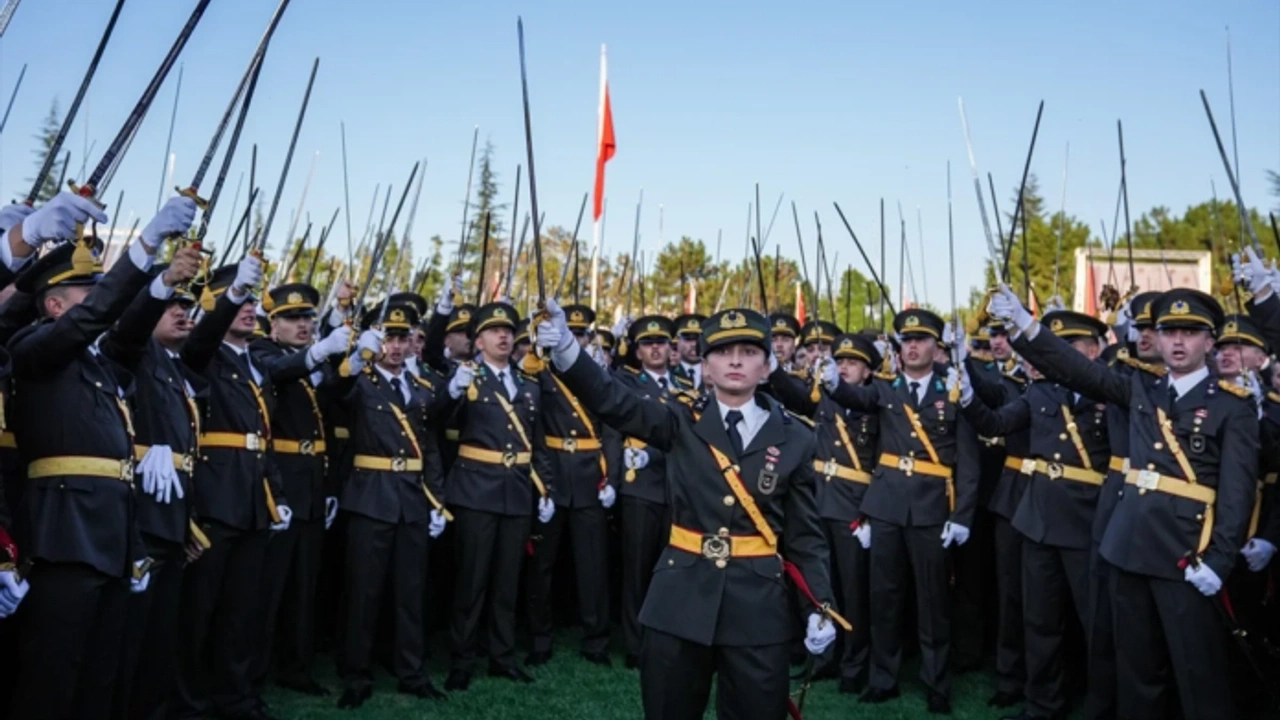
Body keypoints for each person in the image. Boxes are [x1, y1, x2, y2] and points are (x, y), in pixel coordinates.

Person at [536, 301, 841, 719]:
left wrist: (819, 605)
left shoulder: (797, 438)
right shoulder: (680, 419)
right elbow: (613, 400)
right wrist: (567, 349)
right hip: (679, 600)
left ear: (767, 366)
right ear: (706, 366)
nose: (735, 360)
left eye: (749, 351)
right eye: (722, 351)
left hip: (757, 607)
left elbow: (806, 537)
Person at [987, 284, 1257, 720]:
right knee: (1137, 672)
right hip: (1129, 548)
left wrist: (1220, 560)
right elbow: (1078, 370)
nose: (1178, 342)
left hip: (1187, 553)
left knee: (1198, 673)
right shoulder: (1141, 389)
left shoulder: (1231, 405)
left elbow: (1237, 492)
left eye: (1190, 332)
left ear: (1210, 342)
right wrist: (1024, 324)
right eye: (1169, 332)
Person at [7, 193, 196, 719]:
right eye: (86, 293)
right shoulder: (33, 348)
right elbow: (90, 321)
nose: (99, 302)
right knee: (53, 673)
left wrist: (162, 282)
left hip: (112, 533)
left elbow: (128, 332)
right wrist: (145, 244)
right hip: (63, 533)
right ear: (54, 305)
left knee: (101, 673)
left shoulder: (99, 363)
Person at [820, 308, 979, 714]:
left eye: (921, 339)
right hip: (886, 506)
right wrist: (833, 382)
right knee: (884, 598)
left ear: (935, 346)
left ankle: (936, 683)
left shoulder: (953, 388)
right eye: (906, 340)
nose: (912, 346)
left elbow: (968, 461)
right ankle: (883, 678)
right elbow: (856, 397)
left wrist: (962, 515)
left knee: (933, 602)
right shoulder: (885, 388)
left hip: (931, 508)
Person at [959, 310, 1112, 720]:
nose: (1055, 356)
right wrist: (968, 397)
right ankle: (1043, 704)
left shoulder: (1109, 393)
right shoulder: (1041, 392)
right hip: (1038, 518)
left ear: (1093, 351)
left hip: (1087, 520)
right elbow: (997, 422)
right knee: (1039, 619)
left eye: (1069, 347)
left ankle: (1102, 704)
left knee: (1096, 623)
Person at [174, 256, 293, 720]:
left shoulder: (255, 363)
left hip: (253, 499)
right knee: (199, 610)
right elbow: (202, 338)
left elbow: (263, 438)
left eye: (249, 300)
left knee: (242, 611)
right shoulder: (202, 352)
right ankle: (189, 702)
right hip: (215, 497)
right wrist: (232, 294)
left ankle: (236, 696)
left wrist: (276, 495)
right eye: (235, 300)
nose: (248, 308)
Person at [101, 248, 208, 720]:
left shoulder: (171, 364)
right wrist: (158, 285)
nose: (182, 312)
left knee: (159, 636)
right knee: (130, 636)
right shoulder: (134, 351)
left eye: (187, 306)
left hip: (170, 515)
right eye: (171, 306)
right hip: (139, 515)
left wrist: (187, 521)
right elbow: (126, 335)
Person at [334, 302, 449, 709]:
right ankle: (356, 675)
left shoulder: (421, 389)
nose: (396, 347)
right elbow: (334, 392)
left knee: (410, 592)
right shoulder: (360, 383)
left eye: (403, 338)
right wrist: (353, 357)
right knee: (363, 593)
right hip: (371, 497)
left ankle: (412, 673)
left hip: (412, 500)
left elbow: (429, 448)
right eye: (389, 338)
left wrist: (436, 500)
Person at [437, 301, 554, 690]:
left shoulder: (527, 383)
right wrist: (452, 391)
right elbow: (435, 419)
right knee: (471, 581)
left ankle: (502, 657)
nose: (503, 336)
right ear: (478, 341)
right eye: (493, 331)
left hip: (516, 490)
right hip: (475, 489)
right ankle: (462, 659)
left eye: (507, 330)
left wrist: (546, 488)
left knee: (507, 581)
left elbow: (537, 442)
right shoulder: (466, 378)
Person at [249, 282, 350, 698]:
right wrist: (320, 351)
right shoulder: (262, 352)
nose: (303, 324)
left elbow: (333, 405)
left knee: (303, 586)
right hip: (281, 483)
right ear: (273, 325)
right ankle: (254, 672)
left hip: (312, 483)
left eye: (307, 317)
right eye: (292, 318)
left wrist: (349, 358)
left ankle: (296, 665)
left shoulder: (312, 361)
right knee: (269, 587)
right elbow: (280, 372)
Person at [769, 332, 881, 694]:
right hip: (819, 500)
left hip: (853, 507)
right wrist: (773, 369)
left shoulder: (877, 403)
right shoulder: (823, 396)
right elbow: (795, 399)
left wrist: (870, 512)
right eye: (841, 361)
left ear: (868, 371)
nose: (844, 367)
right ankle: (823, 658)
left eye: (853, 363)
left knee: (853, 591)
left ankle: (854, 665)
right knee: (820, 587)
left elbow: (884, 462)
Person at [525, 303, 617, 667]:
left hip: (590, 476)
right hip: (552, 472)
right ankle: (539, 638)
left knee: (593, 565)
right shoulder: (540, 371)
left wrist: (611, 477)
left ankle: (596, 640)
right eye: (570, 333)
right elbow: (531, 425)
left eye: (581, 334)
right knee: (542, 564)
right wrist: (542, 481)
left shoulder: (595, 375)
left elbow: (611, 427)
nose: (575, 339)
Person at [607, 315, 688, 669]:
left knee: (672, 571)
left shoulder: (685, 385)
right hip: (640, 485)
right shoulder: (626, 382)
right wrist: (614, 479)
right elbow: (613, 427)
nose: (655, 349)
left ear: (671, 348)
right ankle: (636, 644)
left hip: (677, 487)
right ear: (637, 351)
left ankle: (667, 638)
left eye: (661, 343)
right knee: (637, 571)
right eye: (647, 343)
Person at [672, 313, 705, 389]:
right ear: (678, 341)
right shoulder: (667, 372)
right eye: (688, 339)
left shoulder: (715, 373)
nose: (694, 344)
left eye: (698, 339)